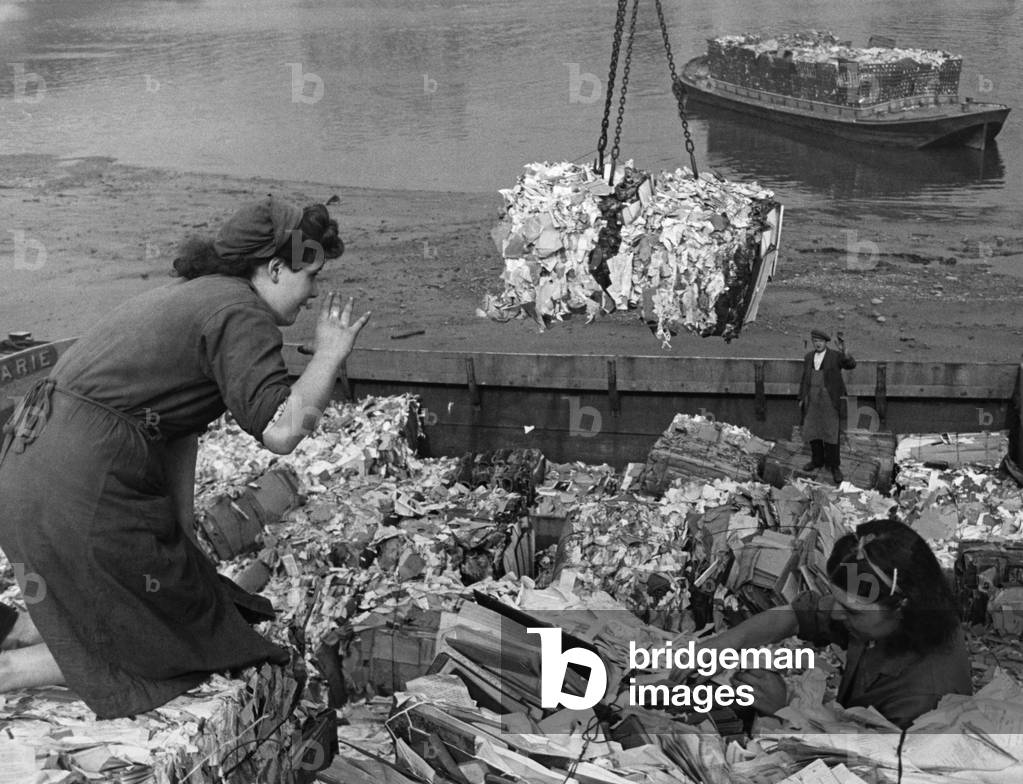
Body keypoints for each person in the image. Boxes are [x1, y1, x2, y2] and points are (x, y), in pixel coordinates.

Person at [0, 194, 370, 718]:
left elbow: (177, 431)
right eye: (310, 277)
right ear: (272, 269)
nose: (314, 295)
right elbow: (282, 432)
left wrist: (181, 533)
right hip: (78, 481)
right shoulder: (240, 312)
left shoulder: (198, 295)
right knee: (181, 638)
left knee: (195, 595)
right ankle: (13, 670)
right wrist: (330, 353)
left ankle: (21, 630)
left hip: (27, 467)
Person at [690, 519, 972, 730]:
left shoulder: (925, 697)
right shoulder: (882, 614)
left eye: (851, 610)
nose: (835, 613)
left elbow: (868, 765)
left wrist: (786, 710)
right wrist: (726, 644)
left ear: (902, 608)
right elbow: (796, 614)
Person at [798, 328, 856, 484]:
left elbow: (850, 365)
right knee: (813, 431)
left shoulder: (835, 357)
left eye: (821, 341)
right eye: (815, 341)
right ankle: (817, 461)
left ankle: (834, 466)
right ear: (813, 342)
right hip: (812, 399)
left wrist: (845, 352)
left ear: (825, 343)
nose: (818, 344)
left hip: (830, 399)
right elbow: (805, 378)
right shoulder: (808, 357)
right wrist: (802, 397)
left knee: (831, 433)